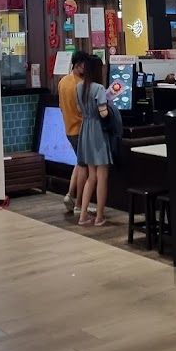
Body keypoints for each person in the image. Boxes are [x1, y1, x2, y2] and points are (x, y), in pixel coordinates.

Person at [76, 54, 114, 229]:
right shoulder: (99, 88)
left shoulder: (79, 87)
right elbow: (104, 113)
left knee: (91, 176)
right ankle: (99, 216)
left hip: (86, 130)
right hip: (98, 131)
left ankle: (83, 214)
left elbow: (79, 108)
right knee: (102, 175)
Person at [58, 51, 89, 215]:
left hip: (69, 129)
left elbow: (62, 107)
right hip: (81, 129)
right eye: (85, 65)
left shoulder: (63, 82)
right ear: (79, 64)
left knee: (79, 163)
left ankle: (70, 196)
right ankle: (78, 203)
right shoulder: (81, 85)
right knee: (83, 166)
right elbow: (83, 110)